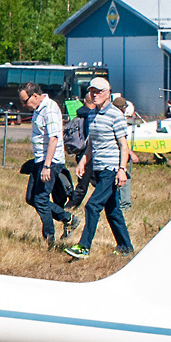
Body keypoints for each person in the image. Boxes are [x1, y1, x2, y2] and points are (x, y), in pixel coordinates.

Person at [64, 77, 135, 260]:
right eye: (92, 91)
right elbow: (91, 144)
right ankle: (125, 247)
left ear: (108, 93)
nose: (94, 95)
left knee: (92, 205)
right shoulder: (92, 114)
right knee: (113, 210)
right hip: (98, 166)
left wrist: (121, 169)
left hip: (111, 169)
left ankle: (84, 247)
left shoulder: (116, 115)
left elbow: (123, 146)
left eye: (99, 91)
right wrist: (83, 162)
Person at [20, 82, 75, 246]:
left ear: (35, 95)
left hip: (49, 161)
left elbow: (54, 138)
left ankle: (49, 239)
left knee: (41, 200)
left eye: (25, 101)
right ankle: (68, 218)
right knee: (31, 198)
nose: (24, 105)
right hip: (40, 160)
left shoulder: (49, 109)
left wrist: (47, 166)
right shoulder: (39, 109)